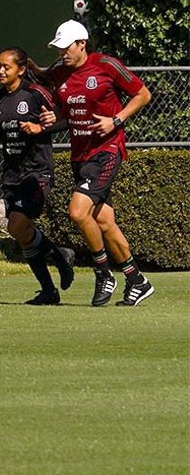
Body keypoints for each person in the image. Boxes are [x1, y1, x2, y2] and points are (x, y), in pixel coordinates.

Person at [45, 20, 155, 306]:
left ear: (82, 43)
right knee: (104, 221)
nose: (62, 53)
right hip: (79, 155)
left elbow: (143, 94)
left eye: (66, 47)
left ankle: (103, 272)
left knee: (78, 212)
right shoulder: (58, 73)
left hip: (107, 151)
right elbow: (62, 108)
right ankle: (136, 280)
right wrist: (51, 118)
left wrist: (116, 120)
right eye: (58, 49)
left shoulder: (106, 65)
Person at [0, 47, 76, 305]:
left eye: (5, 67)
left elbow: (66, 118)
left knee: (17, 226)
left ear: (21, 69)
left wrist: (41, 126)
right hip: (11, 174)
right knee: (22, 233)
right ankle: (50, 286)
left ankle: (58, 256)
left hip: (37, 172)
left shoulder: (35, 93)